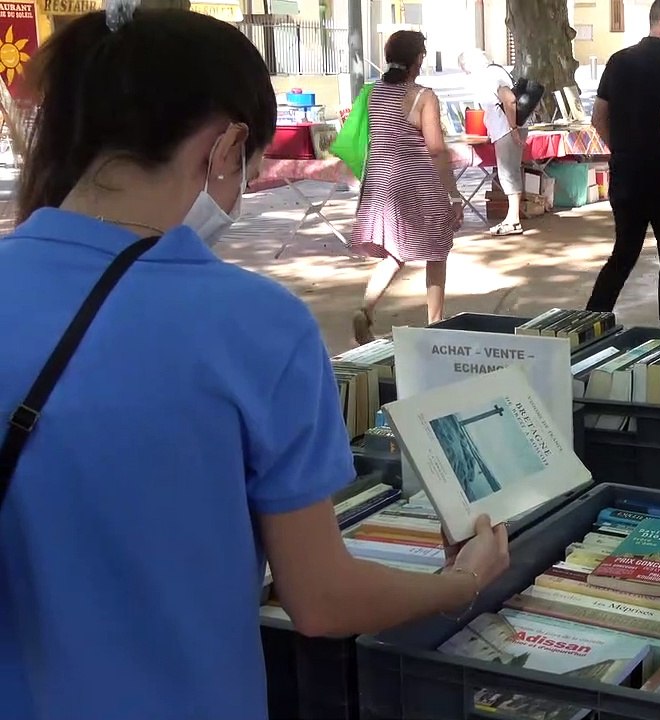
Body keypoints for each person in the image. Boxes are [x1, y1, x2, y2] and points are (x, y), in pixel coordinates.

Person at [0, 8, 510, 720]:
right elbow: (322, 599)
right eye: (251, 163)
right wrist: (464, 581)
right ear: (227, 145)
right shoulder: (257, 326)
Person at [585, 0, 660, 330]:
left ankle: (588, 322)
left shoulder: (618, 61)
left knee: (624, 253)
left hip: (626, 173)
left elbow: (598, 118)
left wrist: (623, 148)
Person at [351, 31, 462, 338]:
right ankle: (436, 323)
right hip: (417, 182)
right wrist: (453, 195)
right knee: (437, 250)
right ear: (419, 59)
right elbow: (436, 150)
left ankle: (366, 309)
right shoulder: (422, 96)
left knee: (395, 252)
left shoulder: (373, 92)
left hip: (380, 181)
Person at [460, 49, 526, 237]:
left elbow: (509, 99)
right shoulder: (494, 73)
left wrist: (513, 129)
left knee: (508, 173)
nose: (467, 74)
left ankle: (513, 220)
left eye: (466, 69)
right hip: (505, 129)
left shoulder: (490, 76)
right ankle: (512, 218)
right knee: (509, 172)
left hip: (506, 130)